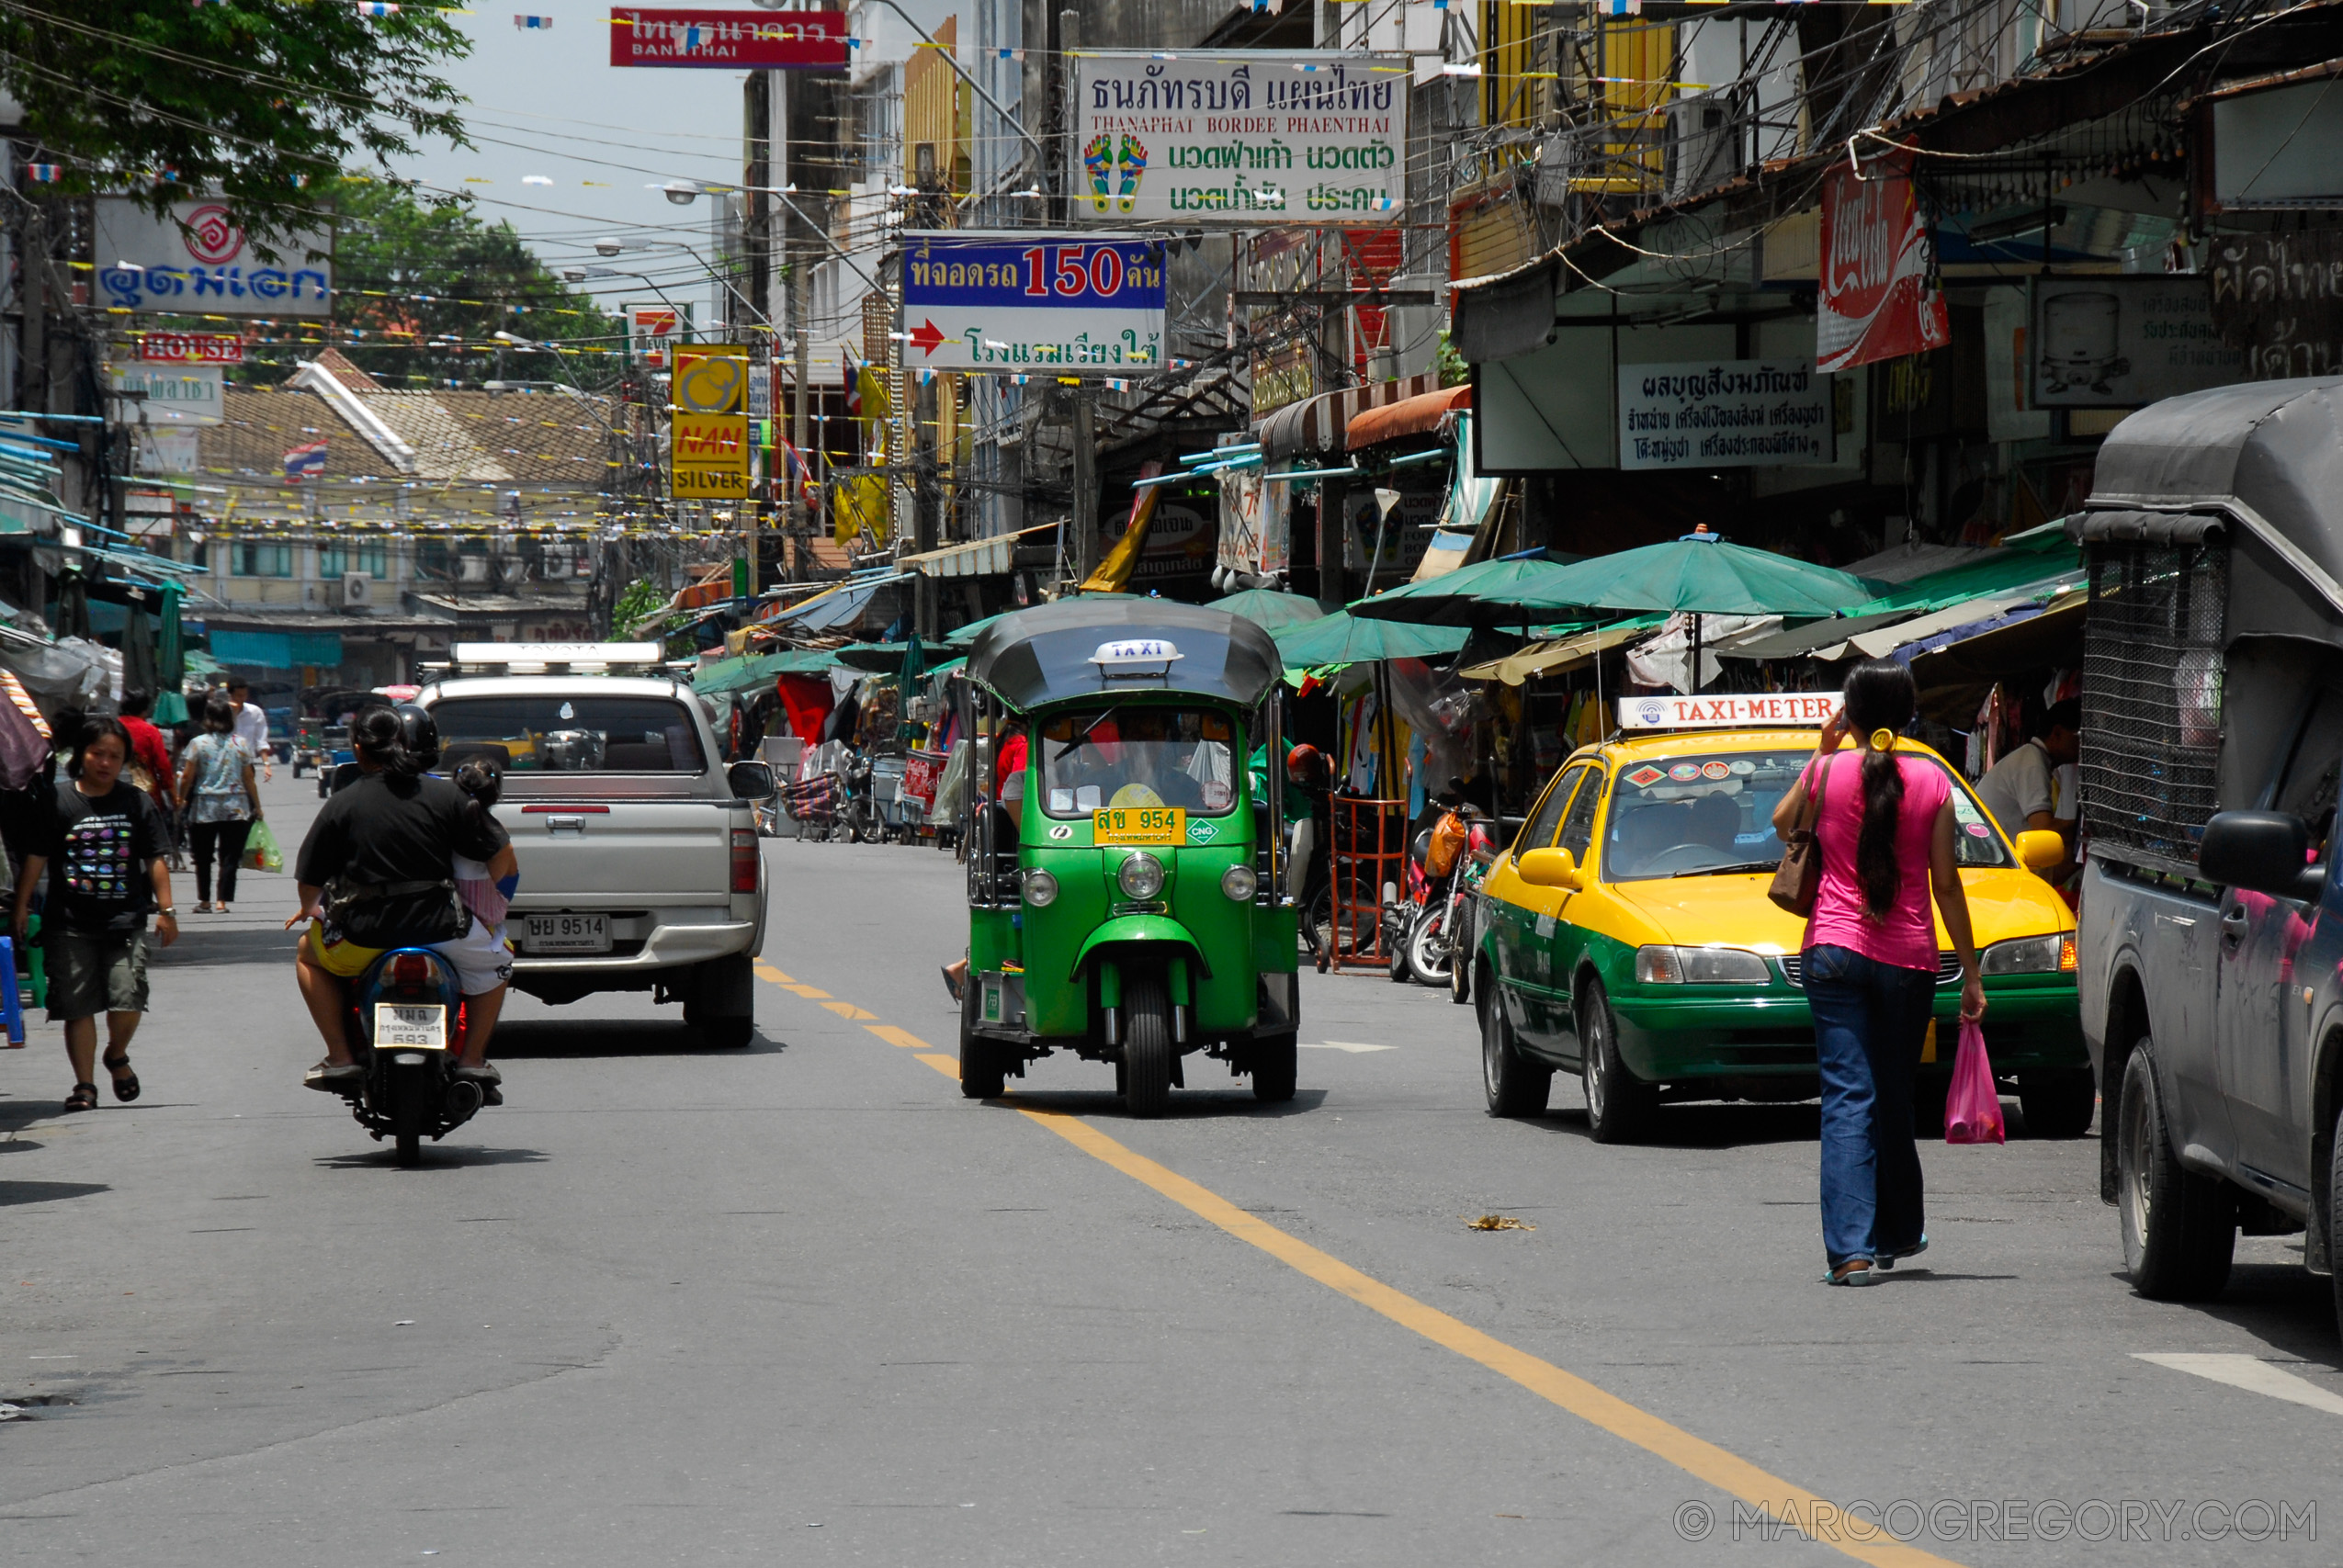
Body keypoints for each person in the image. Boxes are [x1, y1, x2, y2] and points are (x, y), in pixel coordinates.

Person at [1772, 661, 1986, 1287]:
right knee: (1891, 1096)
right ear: (1909, 715)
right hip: (1909, 961)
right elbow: (1946, 883)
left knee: (1847, 1095)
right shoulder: (1934, 780)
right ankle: (1893, 1232)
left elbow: (1784, 825)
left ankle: (1854, 1252)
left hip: (1833, 951)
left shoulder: (1825, 771)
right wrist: (1971, 972)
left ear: (1851, 714)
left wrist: (1821, 752)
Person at [289, 705, 507, 1093]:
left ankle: (339, 1055)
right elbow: (500, 858)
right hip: (441, 928)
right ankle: (473, 1059)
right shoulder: (447, 796)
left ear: (358, 749)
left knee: (308, 954)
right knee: (499, 963)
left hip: (362, 936)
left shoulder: (342, 802)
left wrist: (314, 911)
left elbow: (309, 886)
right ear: (405, 744)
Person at [11, 716, 178, 1112]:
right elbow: (38, 856)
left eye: (114, 756)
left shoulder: (137, 801)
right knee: (77, 1005)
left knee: (129, 997)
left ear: (124, 762)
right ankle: (84, 1085)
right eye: (98, 753)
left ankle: (116, 1055)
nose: (105, 762)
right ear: (81, 755)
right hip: (69, 923)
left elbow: (155, 858)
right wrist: (22, 904)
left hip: (125, 920)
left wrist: (167, 910)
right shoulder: (58, 800)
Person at [1975, 698, 2081, 877]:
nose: (2081, 746)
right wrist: (2084, 829)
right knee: (2075, 850)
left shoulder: (2032, 758)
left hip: (1993, 855)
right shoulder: (2032, 763)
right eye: (2078, 738)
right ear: (2057, 733)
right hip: (1995, 865)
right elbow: (2045, 828)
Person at [177, 694, 263, 914]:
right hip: (236, 807)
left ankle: (205, 901)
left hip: (204, 807)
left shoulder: (197, 744)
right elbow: (249, 778)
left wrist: (181, 799)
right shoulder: (241, 744)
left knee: (202, 857)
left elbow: (187, 776)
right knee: (229, 857)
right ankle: (222, 901)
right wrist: (257, 805)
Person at [226, 678, 274, 784]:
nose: (242, 699)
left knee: (248, 796)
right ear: (230, 695)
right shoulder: (221, 711)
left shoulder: (255, 712)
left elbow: (261, 741)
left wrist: (266, 765)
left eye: (244, 695)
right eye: (239, 696)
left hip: (246, 763)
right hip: (224, 764)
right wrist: (233, 714)